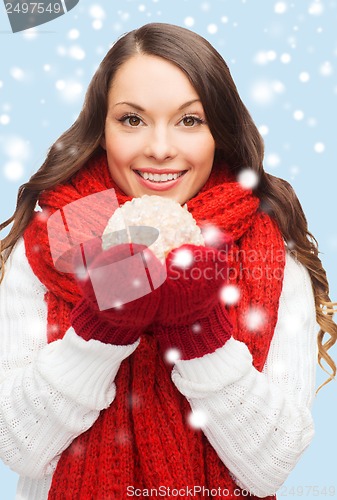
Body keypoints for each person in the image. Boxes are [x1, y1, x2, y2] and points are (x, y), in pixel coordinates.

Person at [0, 22, 336, 500]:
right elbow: (18, 447)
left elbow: (272, 465)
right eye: (132, 120)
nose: (159, 148)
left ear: (220, 130)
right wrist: (99, 329)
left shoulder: (270, 253)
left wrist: (199, 331)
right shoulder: (49, 244)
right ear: (102, 129)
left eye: (189, 120)